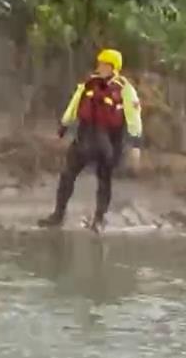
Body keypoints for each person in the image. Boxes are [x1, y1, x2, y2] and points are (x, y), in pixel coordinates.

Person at [38, 48, 144, 233]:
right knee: (67, 174)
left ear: (113, 67)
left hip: (109, 140)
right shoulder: (88, 84)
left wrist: (135, 144)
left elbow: (134, 116)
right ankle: (58, 215)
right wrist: (63, 127)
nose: (100, 67)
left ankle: (99, 219)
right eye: (100, 64)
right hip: (85, 136)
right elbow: (74, 105)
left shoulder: (125, 89)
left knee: (104, 179)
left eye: (104, 65)